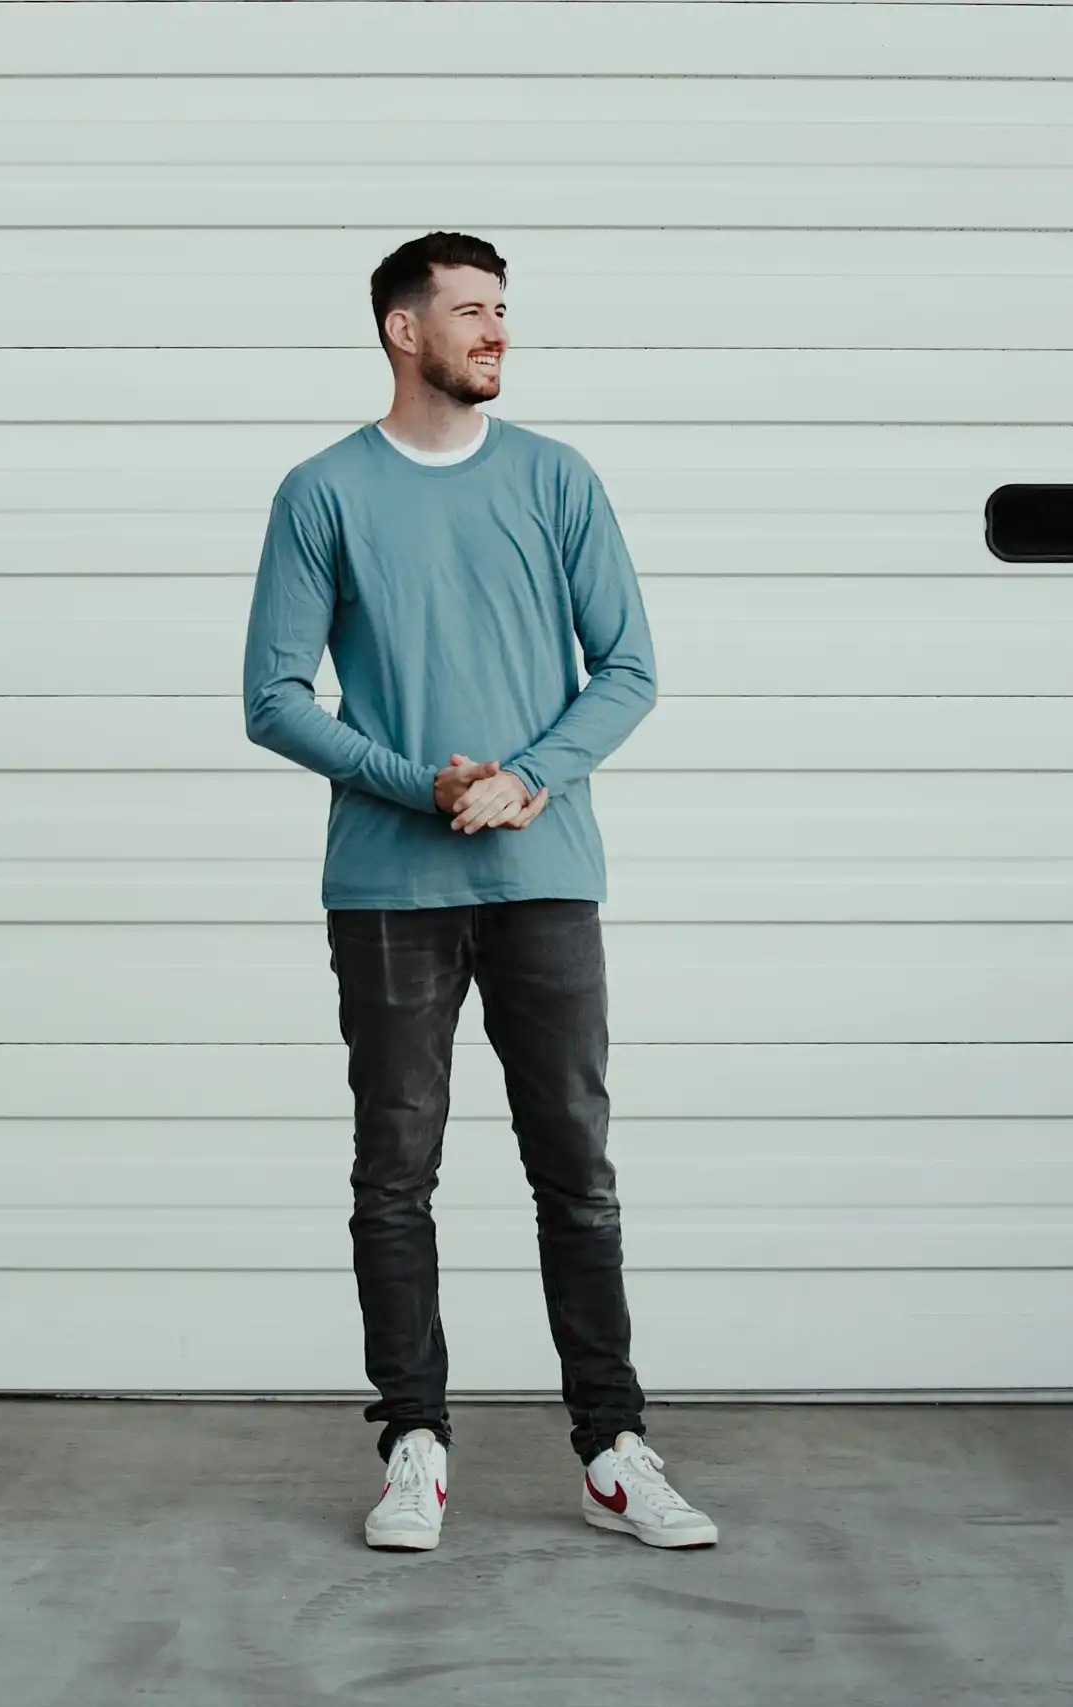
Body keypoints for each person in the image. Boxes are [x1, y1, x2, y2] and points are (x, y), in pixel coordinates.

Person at [243, 231, 718, 1554]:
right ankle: (413, 1444)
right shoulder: (321, 490)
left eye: (503, 309)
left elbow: (626, 667)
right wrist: (422, 782)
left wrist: (528, 781)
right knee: (396, 1171)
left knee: (577, 1168)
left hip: (545, 874)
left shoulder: (559, 480)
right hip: (389, 886)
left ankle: (614, 1449)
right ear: (405, 330)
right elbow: (270, 697)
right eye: (470, 311)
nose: (496, 331)